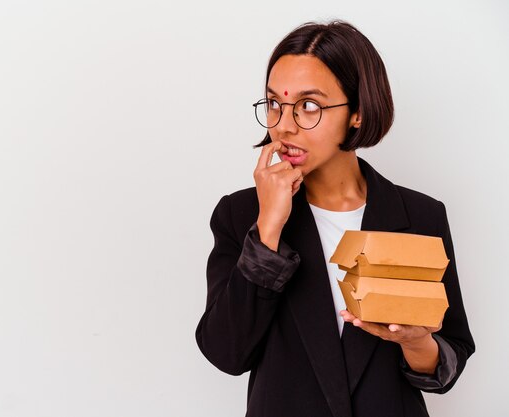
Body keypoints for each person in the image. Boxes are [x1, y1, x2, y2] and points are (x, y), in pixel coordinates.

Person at [195, 21, 475, 417]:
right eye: (274, 103)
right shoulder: (240, 215)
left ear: (358, 112)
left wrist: (415, 343)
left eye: (308, 105)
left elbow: (451, 357)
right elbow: (226, 353)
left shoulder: (422, 215)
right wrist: (268, 231)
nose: (284, 125)